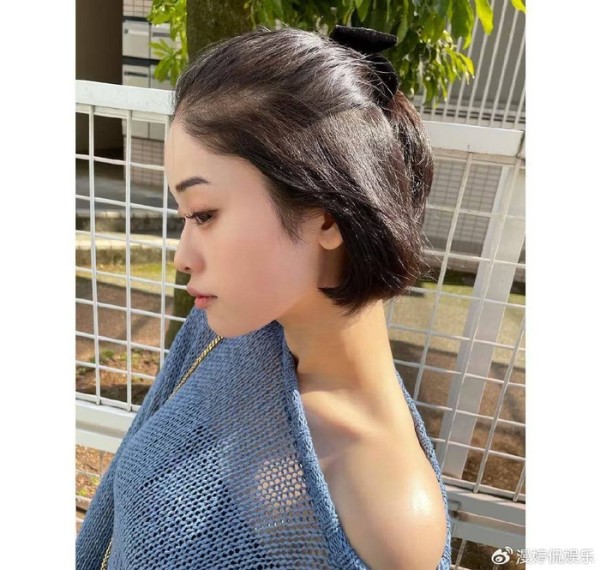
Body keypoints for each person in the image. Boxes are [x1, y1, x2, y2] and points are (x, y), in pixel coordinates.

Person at [77, 24, 453, 570]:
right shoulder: (228, 336)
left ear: (328, 215)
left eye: (204, 214)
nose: (182, 256)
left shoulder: (390, 517)